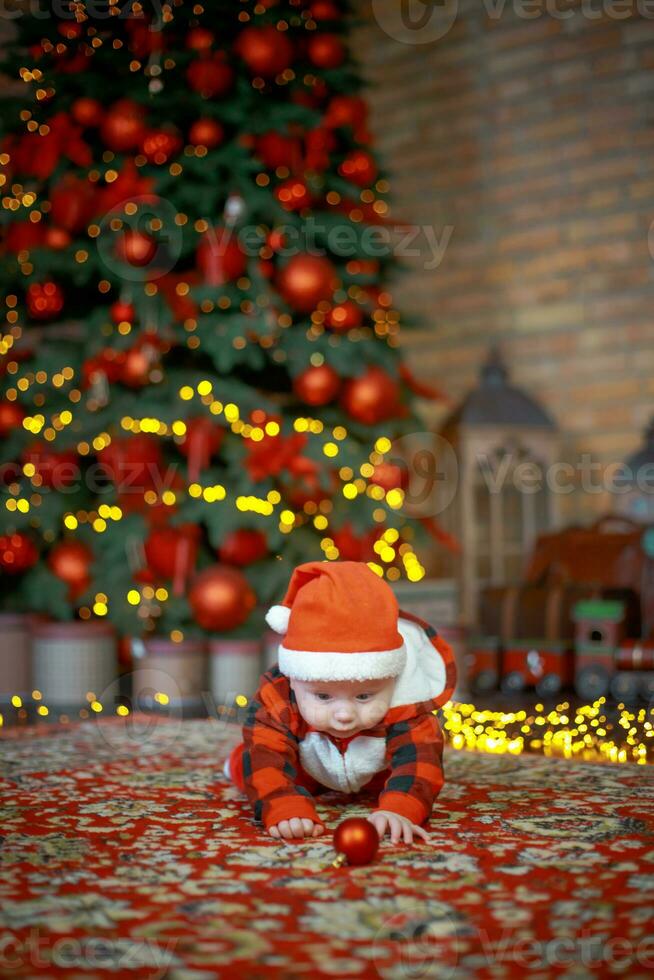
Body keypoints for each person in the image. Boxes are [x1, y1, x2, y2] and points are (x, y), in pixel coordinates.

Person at [223, 560, 456, 845]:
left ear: (391, 679)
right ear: (294, 679)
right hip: (307, 764)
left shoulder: (407, 700)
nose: (344, 715)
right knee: (252, 765)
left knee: (405, 778)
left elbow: (421, 763)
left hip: (374, 771)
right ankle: (235, 762)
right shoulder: (279, 696)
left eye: (364, 696)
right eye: (323, 697)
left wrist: (401, 810)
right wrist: (284, 807)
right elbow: (266, 757)